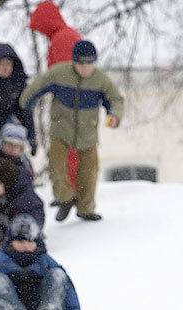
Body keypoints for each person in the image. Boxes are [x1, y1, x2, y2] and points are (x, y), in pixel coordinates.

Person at [20, 40, 124, 222]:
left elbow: (115, 98)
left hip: (88, 132)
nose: (85, 68)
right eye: (81, 63)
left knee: (89, 172)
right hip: (62, 128)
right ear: (74, 61)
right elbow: (38, 86)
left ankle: (85, 208)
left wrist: (114, 114)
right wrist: (26, 102)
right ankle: (65, 199)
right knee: (57, 167)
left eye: (89, 63)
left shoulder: (100, 80)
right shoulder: (59, 73)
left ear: (94, 62)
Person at [29, 0, 82, 196]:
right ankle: (72, 191)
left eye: (40, 27)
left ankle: (72, 191)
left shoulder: (62, 38)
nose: (41, 32)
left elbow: (62, 75)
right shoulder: (64, 36)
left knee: (68, 148)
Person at [0, 158, 45, 242]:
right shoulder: (2, 195)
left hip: (21, 236)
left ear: (5, 183)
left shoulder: (24, 198)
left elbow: (36, 215)